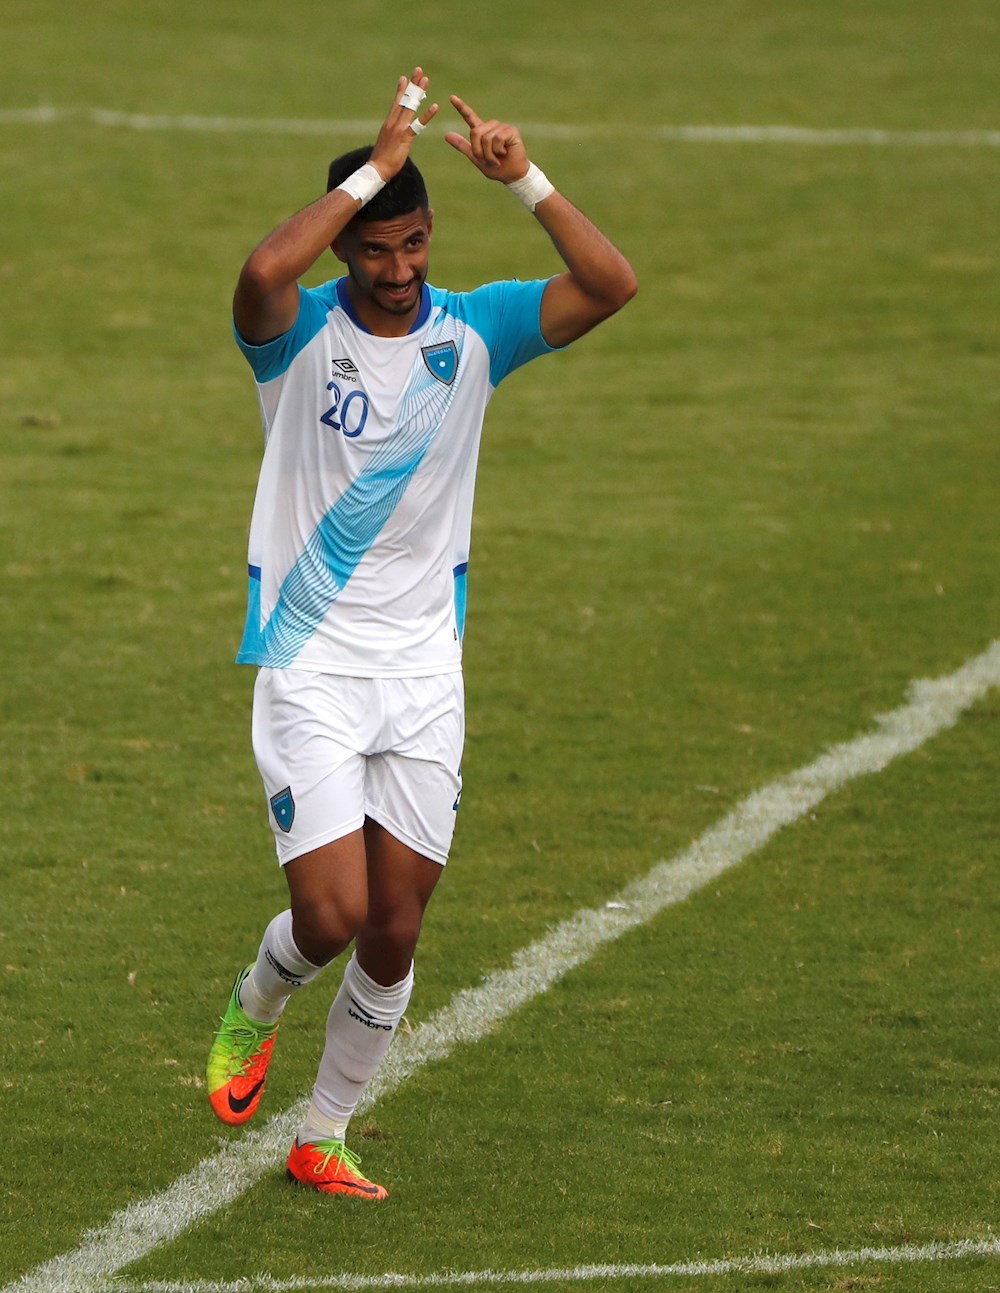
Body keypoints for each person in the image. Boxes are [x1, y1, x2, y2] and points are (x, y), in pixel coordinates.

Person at [207, 66, 637, 1199]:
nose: (400, 270)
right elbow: (260, 273)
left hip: (423, 674)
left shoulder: (476, 327)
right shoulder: (294, 333)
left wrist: (526, 180)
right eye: (376, 250)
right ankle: (258, 998)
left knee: (393, 927)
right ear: (346, 247)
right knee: (331, 913)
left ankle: (323, 1133)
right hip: (310, 660)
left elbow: (611, 283)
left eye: (415, 244)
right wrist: (373, 173)